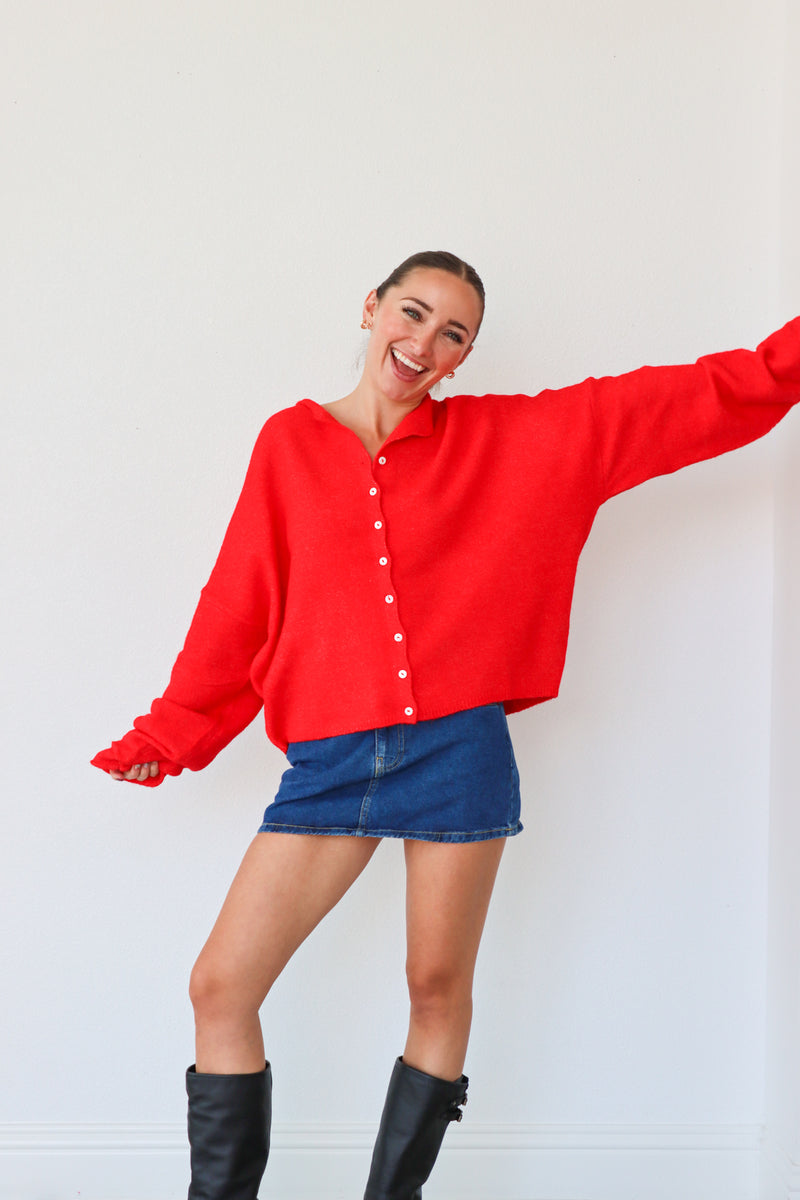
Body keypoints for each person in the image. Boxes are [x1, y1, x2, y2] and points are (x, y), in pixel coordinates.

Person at [92, 250, 800, 1200]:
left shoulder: (516, 439)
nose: (423, 343)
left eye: (452, 333)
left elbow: (688, 398)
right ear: (371, 308)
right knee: (221, 987)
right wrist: (175, 731)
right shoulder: (289, 445)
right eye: (413, 314)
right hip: (331, 761)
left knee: (435, 989)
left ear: (464, 356)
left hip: (459, 753)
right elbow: (241, 602)